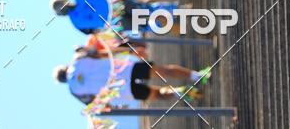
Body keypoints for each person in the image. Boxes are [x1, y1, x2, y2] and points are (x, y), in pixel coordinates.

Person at [53, 47, 211, 106]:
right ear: (65, 67)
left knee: (157, 94)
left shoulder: (74, 91)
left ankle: (184, 92)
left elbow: (95, 103)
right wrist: (130, 51)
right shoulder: (78, 58)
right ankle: (197, 76)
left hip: (121, 91)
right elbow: (105, 52)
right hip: (124, 70)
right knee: (164, 71)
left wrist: (116, 104)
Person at [50, 0, 189, 34]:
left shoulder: (77, 24)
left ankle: (182, 20)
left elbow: (95, 31)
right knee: (148, 12)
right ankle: (181, 12)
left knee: (149, 20)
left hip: (116, 20)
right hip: (117, 8)